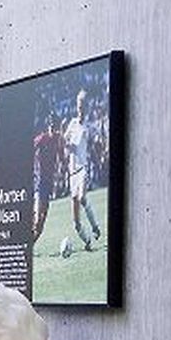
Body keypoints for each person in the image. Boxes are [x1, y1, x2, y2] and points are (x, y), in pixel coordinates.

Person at [63, 89, 102, 250]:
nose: (81, 106)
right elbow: (65, 144)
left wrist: (98, 160)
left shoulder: (89, 127)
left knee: (82, 197)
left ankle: (95, 227)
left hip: (83, 168)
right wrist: (65, 144)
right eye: (79, 103)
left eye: (83, 103)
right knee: (76, 222)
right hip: (72, 172)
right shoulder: (72, 123)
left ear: (88, 105)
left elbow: (93, 147)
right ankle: (87, 242)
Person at [31, 114, 63, 244]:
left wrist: (59, 174)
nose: (53, 129)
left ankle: (30, 245)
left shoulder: (57, 139)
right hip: (39, 182)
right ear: (48, 126)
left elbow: (60, 158)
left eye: (55, 126)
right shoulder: (41, 139)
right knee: (37, 220)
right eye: (51, 126)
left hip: (48, 184)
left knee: (41, 224)